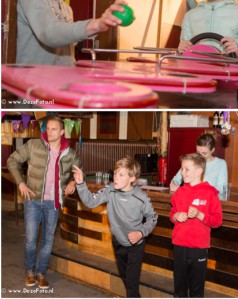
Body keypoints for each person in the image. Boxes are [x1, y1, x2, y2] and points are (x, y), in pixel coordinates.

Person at [7, 115, 81, 289]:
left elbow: (79, 171)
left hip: (53, 203)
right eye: (47, 128)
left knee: (48, 240)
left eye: (54, 129)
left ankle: (41, 273)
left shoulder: (69, 153)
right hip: (33, 200)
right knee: (31, 240)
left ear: (62, 131)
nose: (49, 132)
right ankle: (30, 272)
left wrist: (72, 182)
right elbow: (12, 160)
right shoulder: (34, 145)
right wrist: (21, 183)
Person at [73, 157, 157, 298]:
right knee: (126, 278)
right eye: (116, 173)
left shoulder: (141, 198)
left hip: (135, 245)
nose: (116, 177)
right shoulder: (110, 190)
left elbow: (153, 218)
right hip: (118, 242)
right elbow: (90, 202)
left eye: (121, 174)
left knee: (131, 283)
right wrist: (81, 183)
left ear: (132, 178)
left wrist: (141, 233)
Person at [170, 153, 223, 298]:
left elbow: (217, 221)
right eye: (182, 169)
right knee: (179, 288)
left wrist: (200, 215)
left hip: (199, 247)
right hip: (179, 245)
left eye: (186, 169)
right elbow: (172, 213)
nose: (182, 172)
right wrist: (176, 216)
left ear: (199, 171)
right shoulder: (179, 192)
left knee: (196, 290)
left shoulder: (210, 193)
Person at [169, 134, 230, 201]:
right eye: (198, 152)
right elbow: (176, 180)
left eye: (204, 153)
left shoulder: (220, 164)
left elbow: (221, 189)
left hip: (210, 201)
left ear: (212, 150)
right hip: (189, 199)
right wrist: (174, 185)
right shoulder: (191, 161)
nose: (200, 156)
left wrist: (199, 190)